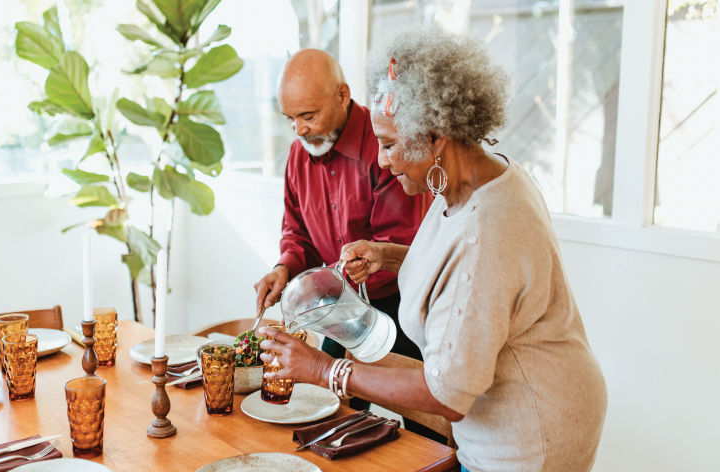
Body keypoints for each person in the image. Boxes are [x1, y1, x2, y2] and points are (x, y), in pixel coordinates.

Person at [257, 24, 607, 472]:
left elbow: (448, 394)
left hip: (529, 434)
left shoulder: (489, 226)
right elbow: (458, 263)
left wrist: (326, 371)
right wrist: (387, 255)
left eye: (389, 145)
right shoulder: (473, 178)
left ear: (437, 137)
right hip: (505, 412)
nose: (381, 159)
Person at [252, 49, 439, 439]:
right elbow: (297, 231)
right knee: (328, 420)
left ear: (342, 95)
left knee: (427, 430)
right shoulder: (297, 156)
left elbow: (403, 241)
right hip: (336, 311)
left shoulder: (387, 146)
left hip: (399, 308)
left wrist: (370, 259)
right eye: (291, 120)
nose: (300, 131)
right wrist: (283, 268)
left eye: (308, 116)